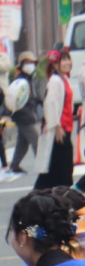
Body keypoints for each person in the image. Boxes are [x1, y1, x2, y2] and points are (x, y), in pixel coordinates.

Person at [35, 50, 76, 190]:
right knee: (60, 169)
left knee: (57, 169)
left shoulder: (62, 79)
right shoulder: (55, 81)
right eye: (63, 60)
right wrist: (57, 126)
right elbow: (50, 104)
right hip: (60, 130)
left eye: (68, 60)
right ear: (55, 64)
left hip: (65, 128)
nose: (67, 63)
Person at [9, 51, 43, 174]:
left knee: (22, 143)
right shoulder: (19, 80)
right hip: (24, 115)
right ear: (22, 64)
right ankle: (42, 166)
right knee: (36, 141)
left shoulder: (28, 78)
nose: (30, 65)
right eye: (27, 62)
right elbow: (14, 99)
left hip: (26, 114)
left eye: (32, 63)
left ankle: (14, 165)